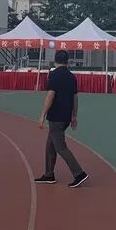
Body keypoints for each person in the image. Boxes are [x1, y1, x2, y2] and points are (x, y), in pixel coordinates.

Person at [34, 50, 89, 188]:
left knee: (60, 147)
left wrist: (42, 115)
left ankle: (79, 173)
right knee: (50, 145)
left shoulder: (54, 75)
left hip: (56, 117)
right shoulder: (71, 77)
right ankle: (49, 174)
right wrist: (74, 116)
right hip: (65, 117)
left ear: (55, 61)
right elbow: (75, 98)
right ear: (67, 61)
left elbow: (50, 95)